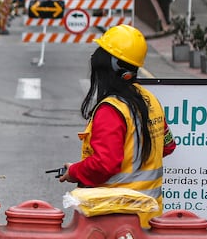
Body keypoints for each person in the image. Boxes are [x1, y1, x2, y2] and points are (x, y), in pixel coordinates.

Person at [57, 24, 176, 209]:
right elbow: (167, 146)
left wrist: (74, 171)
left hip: (115, 216)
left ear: (109, 67)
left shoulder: (111, 110)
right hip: (148, 213)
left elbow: (105, 165)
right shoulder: (151, 100)